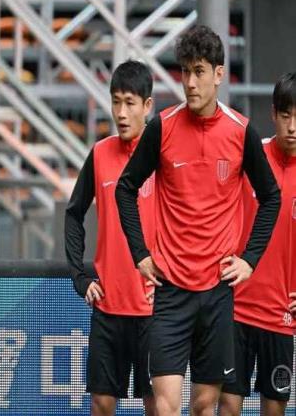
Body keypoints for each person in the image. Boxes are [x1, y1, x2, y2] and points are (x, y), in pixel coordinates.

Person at [115, 25, 281, 416]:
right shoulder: (162, 127)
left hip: (217, 291)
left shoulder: (241, 132)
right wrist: (140, 253)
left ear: (219, 74)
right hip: (170, 289)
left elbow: (271, 197)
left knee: (205, 406)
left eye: (200, 71)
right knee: (166, 406)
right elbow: (125, 188)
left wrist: (249, 260)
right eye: (186, 71)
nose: (190, 82)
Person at [65, 60, 156, 416]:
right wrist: (80, 276)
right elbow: (74, 213)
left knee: (158, 405)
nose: (121, 112)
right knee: (101, 404)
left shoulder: (164, 157)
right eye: (116, 102)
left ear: (147, 106)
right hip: (108, 306)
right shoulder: (100, 153)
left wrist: (175, 283)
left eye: (130, 103)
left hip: (154, 309)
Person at [219, 72, 296, 416]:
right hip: (235, 308)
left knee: (275, 410)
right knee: (228, 405)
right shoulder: (250, 158)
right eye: (286, 115)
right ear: (273, 113)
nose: (292, 127)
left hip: (281, 316)